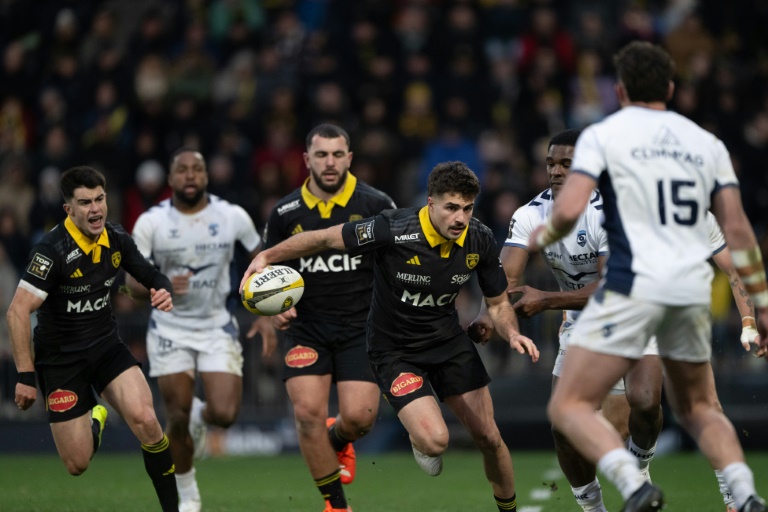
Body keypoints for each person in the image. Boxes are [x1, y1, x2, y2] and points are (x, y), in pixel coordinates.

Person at [528, 41, 768, 512]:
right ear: (672, 88)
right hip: (686, 291)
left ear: (619, 90)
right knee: (701, 408)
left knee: (567, 405)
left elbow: (571, 208)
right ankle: (744, 494)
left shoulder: (604, 136)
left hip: (631, 285)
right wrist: (760, 303)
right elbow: (737, 230)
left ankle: (633, 484)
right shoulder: (707, 144)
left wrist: (544, 233)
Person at [472, 128, 757, 512]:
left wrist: (749, 320)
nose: (556, 171)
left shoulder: (649, 212)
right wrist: (486, 316)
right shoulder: (535, 214)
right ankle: (600, 505)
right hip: (587, 319)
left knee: (678, 403)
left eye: (566, 164)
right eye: (551, 163)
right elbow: (504, 283)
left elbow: (732, 267)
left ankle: (717, 492)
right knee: (568, 424)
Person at [243, 160, 541, 512]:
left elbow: (497, 302)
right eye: (451, 207)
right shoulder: (392, 228)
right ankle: (418, 437)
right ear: (431, 202)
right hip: (394, 350)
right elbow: (325, 238)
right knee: (435, 442)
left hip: (447, 342)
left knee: (490, 437)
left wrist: (511, 334)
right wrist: (267, 255)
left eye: (467, 208)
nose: (460, 218)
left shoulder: (479, 237)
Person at [6, 166, 178, 511]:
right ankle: (95, 415)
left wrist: (164, 289)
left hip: (105, 347)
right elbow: (16, 311)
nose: (96, 209)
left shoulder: (116, 238)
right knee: (77, 464)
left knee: (147, 421)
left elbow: (151, 274)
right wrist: (25, 375)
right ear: (68, 209)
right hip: (61, 360)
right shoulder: (51, 251)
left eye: (99, 199)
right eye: (85, 202)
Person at [126, 148, 276, 512]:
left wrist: (266, 311)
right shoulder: (151, 222)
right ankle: (188, 493)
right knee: (174, 416)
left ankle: (199, 416)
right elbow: (131, 285)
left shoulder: (231, 216)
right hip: (170, 328)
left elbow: (263, 261)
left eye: (197, 169)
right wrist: (157, 286)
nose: (190, 175)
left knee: (224, 414)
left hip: (215, 326)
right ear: (171, 178)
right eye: (182, 170)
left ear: (207, 176)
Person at [259, 123, 396, 512]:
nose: (330, 162)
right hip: (307, 328)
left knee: (360, 419)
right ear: (306, 160)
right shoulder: (285, 212)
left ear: (350, 158)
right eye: (321, 155)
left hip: (361, 328)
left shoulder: (376, 204)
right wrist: (275, 310)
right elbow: (265, 271)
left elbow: (394, 266)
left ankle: (338, 439)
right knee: (306, 413)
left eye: (338, 154)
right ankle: (336, 505)